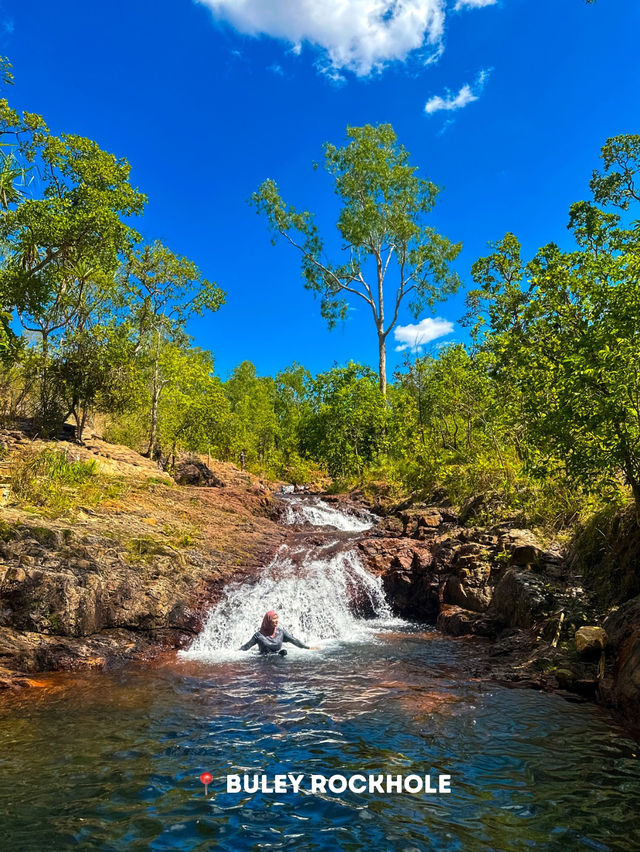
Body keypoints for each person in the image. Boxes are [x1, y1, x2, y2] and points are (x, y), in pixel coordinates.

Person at [239, 610, 315, 655]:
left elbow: (294, 640)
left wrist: (308, 648)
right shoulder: (258, 636)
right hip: (264, 662)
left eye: (277, 618)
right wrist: (235, 653)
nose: (276, 621)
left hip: (279, 661)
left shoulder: (281, 632)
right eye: (274, 619)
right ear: (268, 620)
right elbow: (246, 647)